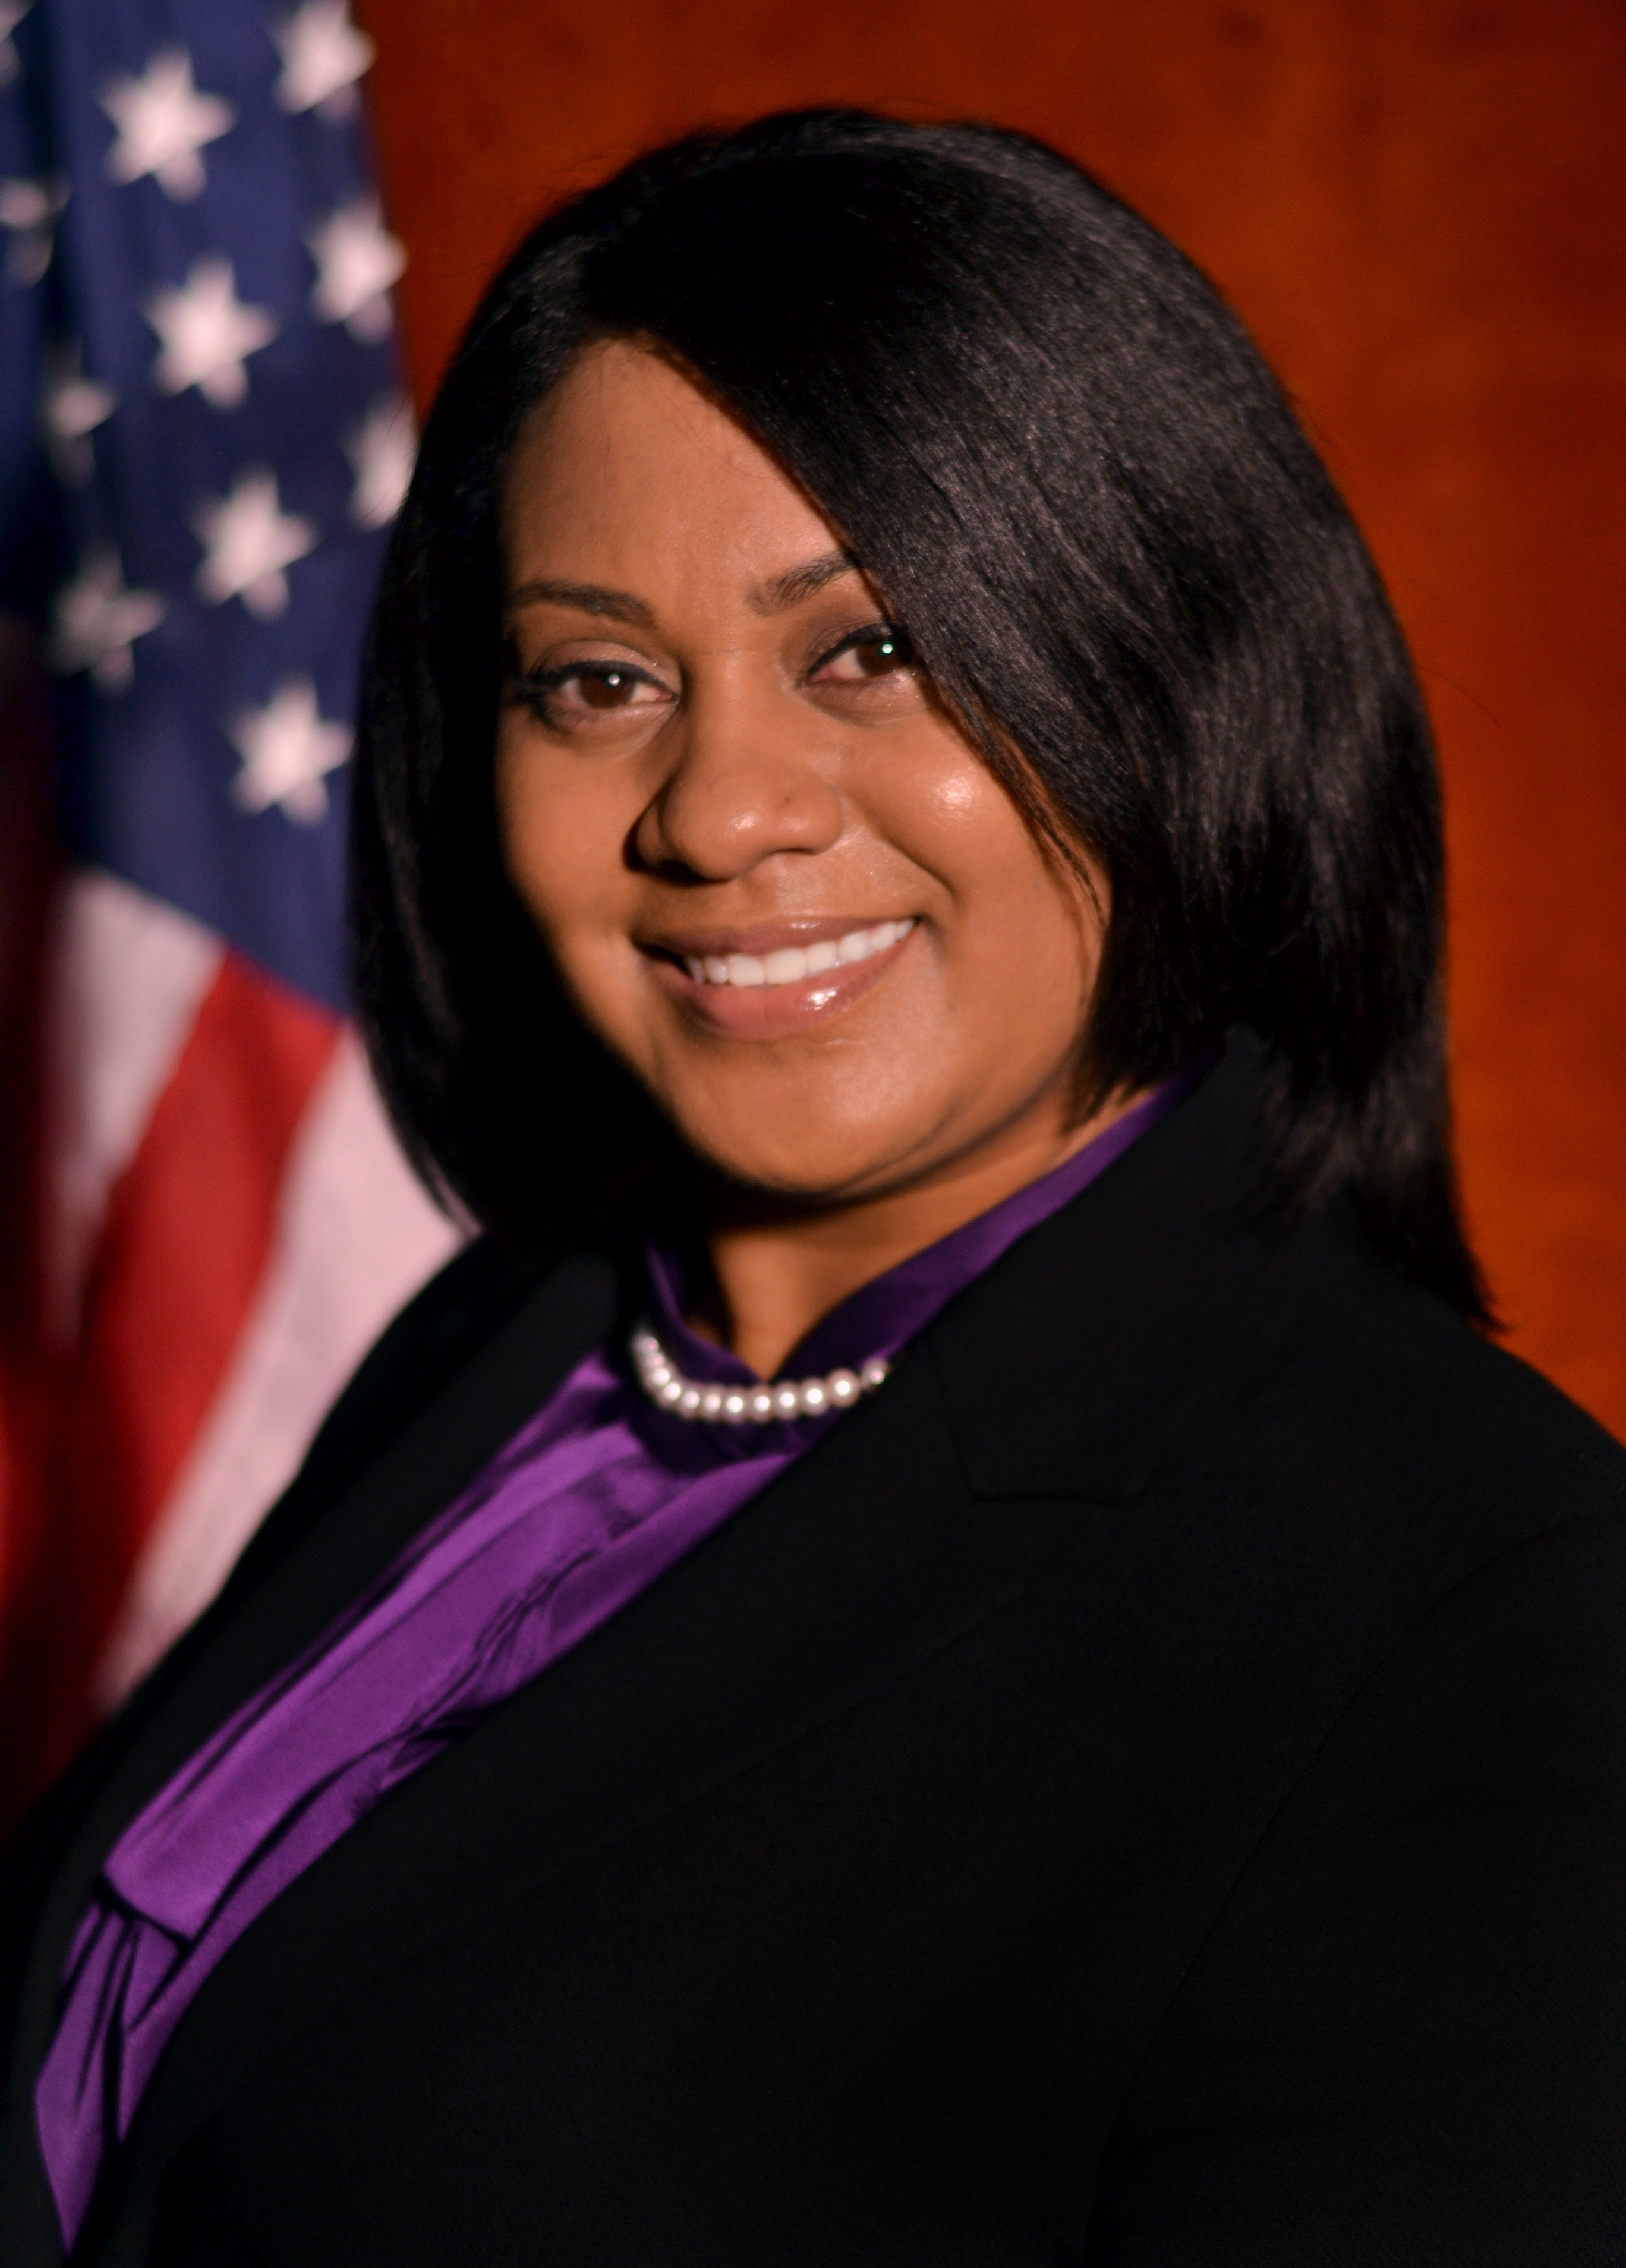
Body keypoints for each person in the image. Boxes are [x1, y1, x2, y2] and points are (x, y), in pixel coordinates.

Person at [2, 107, 1622, 2267]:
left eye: (869, 649)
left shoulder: (1478, 1602)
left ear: (1166, 660)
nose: (719, 811)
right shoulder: (507, 1350)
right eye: (599, 681)